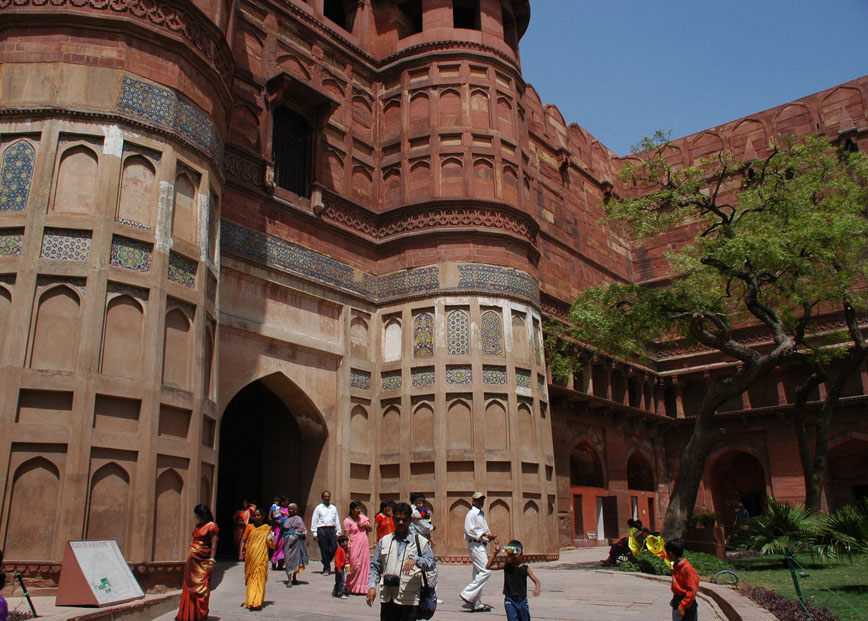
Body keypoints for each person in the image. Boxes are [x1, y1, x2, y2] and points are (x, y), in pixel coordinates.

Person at [367, 502, 436, 620]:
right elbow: (375, 566)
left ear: (409, 520)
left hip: (409, 598)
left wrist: (416, 560)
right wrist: (372, 586)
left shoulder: (420, 542)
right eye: (398, 519)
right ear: (393, 519)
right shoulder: (384, 541)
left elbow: (431, 563)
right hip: (388, 597)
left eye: (404, 520)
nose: (400, 523)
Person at [176, 504, 219, 621]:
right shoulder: (199, 526)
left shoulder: (211, 526)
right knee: (189, 584)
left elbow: (214, 544)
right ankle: (189, 614)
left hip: (203, 560)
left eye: (198, 515)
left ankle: (199, 614)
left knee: (202, 587)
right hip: (193, 561)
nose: (197, 517)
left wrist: (211, 560)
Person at [459, 491, 497, 612]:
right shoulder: (472, 514)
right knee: (486, 570)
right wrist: (485, 534)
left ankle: (477, 603)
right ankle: (467, 593)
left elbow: (485, 529)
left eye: (482, 500)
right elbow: (470, 530)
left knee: (478, 574)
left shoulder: (481, 514)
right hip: (475, 545)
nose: (481, 502)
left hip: (481, 545)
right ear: (473, 501)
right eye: (478, 500)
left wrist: (491, 537)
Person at [486, 540, 541, 621]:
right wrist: (495, 553)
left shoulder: (525, 568)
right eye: (510, 555)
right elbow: (488, 566)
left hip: (522, 600)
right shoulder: (506, 565)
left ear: (521, 554)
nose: (512, 557)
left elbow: (536, 581)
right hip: (510, 600)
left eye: (515, 555)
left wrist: (537, 588)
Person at [242, 508, 274, 610]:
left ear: (263, 517)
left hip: (262, 557)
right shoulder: (249, 527)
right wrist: (240, 553)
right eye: (254, 515)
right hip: (251, 557)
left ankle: (257, 601)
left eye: (258, 515)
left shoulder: (267, 529)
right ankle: (250, 600)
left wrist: (275, 544)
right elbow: (243, 540)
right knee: (251, 578)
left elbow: (271, 542)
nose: (256, 517)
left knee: (260, 578)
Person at [665, 539, 700, 621]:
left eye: (667, 553)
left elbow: (692, 590)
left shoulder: (688, 569)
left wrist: (683, 605)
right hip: (677, 601)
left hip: (687, 604)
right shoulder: (676, 566)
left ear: (671, 553)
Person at [344, 500, 373, 594]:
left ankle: (360, 588)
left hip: (363, 546)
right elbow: (347, 535)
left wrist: (364, 525)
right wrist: (347, 547)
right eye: (357, 508)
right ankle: (349, 585)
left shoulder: (363, 518)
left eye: (360, 508)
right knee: (355, 566)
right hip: (354, 546)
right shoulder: (347, 521)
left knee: (364, 566)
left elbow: (371, 529)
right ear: (352, 510)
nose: (359, 510)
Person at [311, 490, 342, 575]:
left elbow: (337, 520)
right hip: (322, 529)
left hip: (331, 529)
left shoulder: (333, 508)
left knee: (334, 547)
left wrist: (338, 532)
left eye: (328, 496)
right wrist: (314, 532)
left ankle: (325, 561)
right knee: (324, 549)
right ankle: (326, 568)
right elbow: (315, 520)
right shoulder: (319, 508)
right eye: (325, 497)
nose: (327, 498)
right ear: (322, 498)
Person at [280, 502, 308, 587]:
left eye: (292, 508)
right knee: (288, 560)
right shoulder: (285, 520)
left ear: (295, 510)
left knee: (296, 559)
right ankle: (289, 580)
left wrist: (306, 538)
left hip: (296, 542)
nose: (290, 510)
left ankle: (294, 577)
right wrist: (277, 543)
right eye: (289, 508)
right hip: (287, 542)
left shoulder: (298, 519)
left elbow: (303, 530)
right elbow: (282, 531)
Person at [270, 496, 289, 570]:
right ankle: (274, 561)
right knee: (277, 545)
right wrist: (277, 521)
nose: (287, 503)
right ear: (282, 502)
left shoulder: (289, 509)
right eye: (286, 501)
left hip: (285, 529)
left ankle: (281, 564)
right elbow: (272, 517)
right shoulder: (277, 508)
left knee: (283, 546)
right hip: (278, 529)